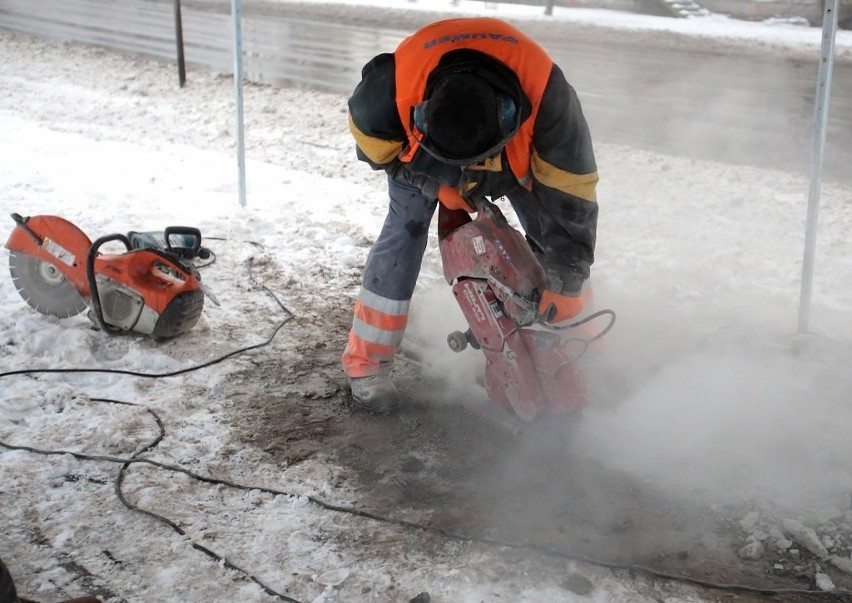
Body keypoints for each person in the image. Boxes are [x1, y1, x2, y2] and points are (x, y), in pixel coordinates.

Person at [342, 17, 599, 414]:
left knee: (556, 245)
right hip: (426, 164)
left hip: (515, 160)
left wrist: (567, 281)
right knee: (403, 236)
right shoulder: (385, 98)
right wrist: (434, 185)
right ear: (422, 115)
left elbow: (572, 197)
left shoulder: (549, 100)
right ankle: (367, 365)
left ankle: (579, 351)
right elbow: (379, 153)